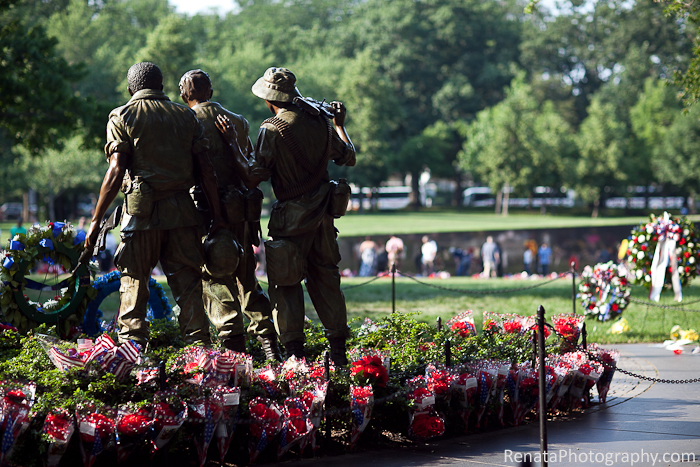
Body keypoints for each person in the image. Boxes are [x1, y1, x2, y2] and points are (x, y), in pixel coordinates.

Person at [214, 67, 355, 364]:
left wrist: (233, 143)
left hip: (290, 219)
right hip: (323, 219)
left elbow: (253, 176)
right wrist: (340, 124)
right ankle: (339, 353)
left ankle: (295, 358)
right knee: (327, 280)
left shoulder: (273, 128)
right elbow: (349, 156)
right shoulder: (322, 123)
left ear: (269, 100)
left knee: (286, 285)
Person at [85, 62, 223, 348]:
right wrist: (217, 216)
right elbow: (206, 171)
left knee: (134, 284)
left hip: (141, 216)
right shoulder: (186, 115)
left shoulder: (121, 115)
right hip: (183, 215)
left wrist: (96, 221)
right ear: (161, 87)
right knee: (189, 290)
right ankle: (202, 360)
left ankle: (134, 359)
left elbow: (115, 171)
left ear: (130, 89)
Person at [179, 69, 280, 360]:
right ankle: (268, 343)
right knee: (247, 279)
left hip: (206, 217)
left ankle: (234, 354)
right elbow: (248, 166)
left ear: (185, 97)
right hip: (241, 214)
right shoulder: (238, 121)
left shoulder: (186, 121)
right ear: (210, 91)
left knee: (213, 281)